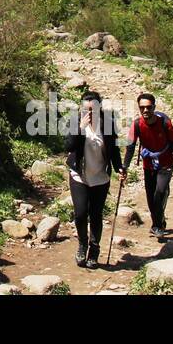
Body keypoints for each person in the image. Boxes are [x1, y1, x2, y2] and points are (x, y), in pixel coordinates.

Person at [65, 90, 122, 268]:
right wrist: (80, 128)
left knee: (96, 215)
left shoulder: (108, 125)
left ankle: (94, 250)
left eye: (93, 110)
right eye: (86, 110)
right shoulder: (75, 122)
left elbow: (114, 150)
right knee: (81, 213)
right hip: (79, 176)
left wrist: (119, 167)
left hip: (100, 177)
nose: (89, 113)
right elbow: (68, 145)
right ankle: (82, 243)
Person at [120, 92, 173, 240]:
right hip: (148, 164)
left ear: (154, 107)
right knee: (151, 198)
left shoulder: (165, 123)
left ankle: (157, 226)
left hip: (165, 163)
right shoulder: (137, 124)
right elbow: (130, 147)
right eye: (142, 107)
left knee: (159, 193)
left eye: (148, 107)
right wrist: (124, 168)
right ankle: (160, 220)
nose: (145, 111)